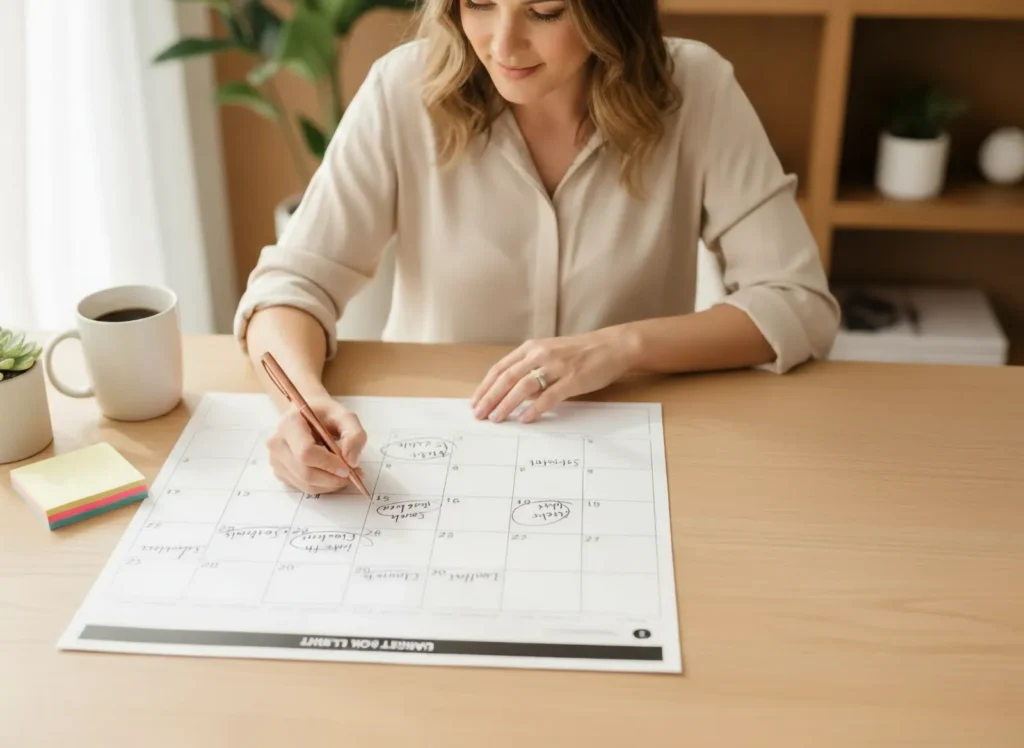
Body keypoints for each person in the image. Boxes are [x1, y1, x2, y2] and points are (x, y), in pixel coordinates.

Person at [233, 0, 840, 496]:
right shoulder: (402, 91)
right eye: (479, 3)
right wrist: (303, 406)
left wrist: (620, 346)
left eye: (544, 12)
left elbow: (797, 303)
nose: (502, 44)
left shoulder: (697, 88)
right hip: (434, 463)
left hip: (635, 460)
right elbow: (290, 288)